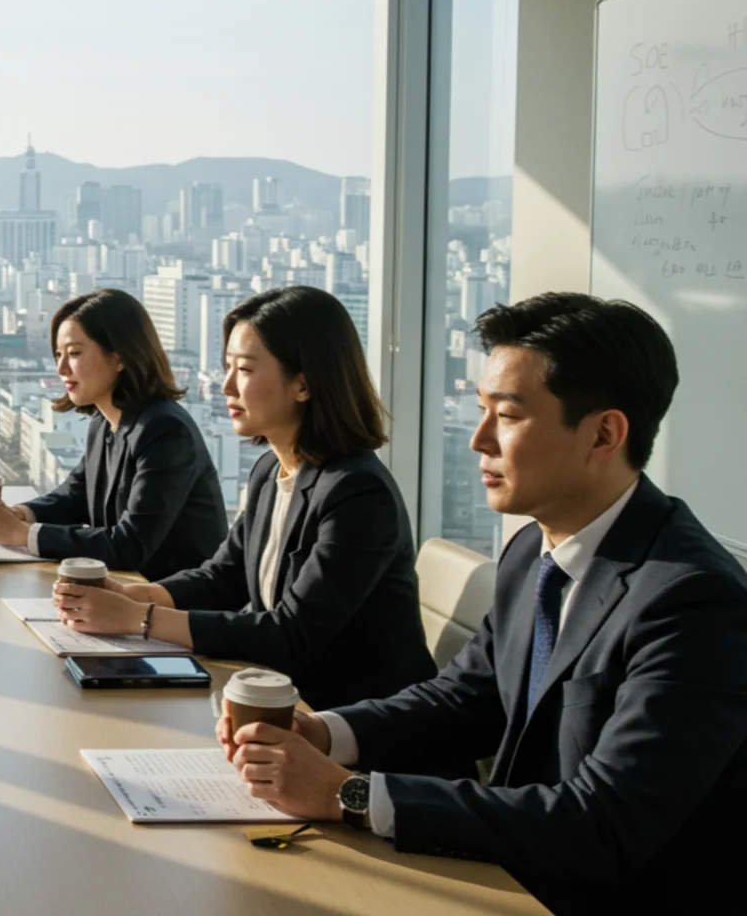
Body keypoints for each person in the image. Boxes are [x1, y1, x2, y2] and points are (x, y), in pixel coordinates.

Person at [220, 292, 747, 913]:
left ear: (605, 433)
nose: (478, 440)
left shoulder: (693, 600)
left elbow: (601, 824)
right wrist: (327, 732)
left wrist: (351, 795)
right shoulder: (532, 552)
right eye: (480, 410)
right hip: (507, 874)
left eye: (508, 415)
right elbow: (462, 699)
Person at [54, 286, 436, 710]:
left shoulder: (359, 494)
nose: (227, 386)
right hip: (278, 706)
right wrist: (134, 594)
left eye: (246, 370)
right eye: (228, 367)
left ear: (303, 384)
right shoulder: (271, 472)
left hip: (353, 730)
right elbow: (224, 577)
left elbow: (291, 635)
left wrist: (140, 621)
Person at [0, 288, 226, 581]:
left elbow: (130, 545)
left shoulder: (165, 430)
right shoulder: (104, 421)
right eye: (58, 354)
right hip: (124, 590)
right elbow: (76, 494)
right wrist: (23, 514)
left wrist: (23, 535)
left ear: (120, 357)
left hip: (175, 606)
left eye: (74, 353)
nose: (61, 368)